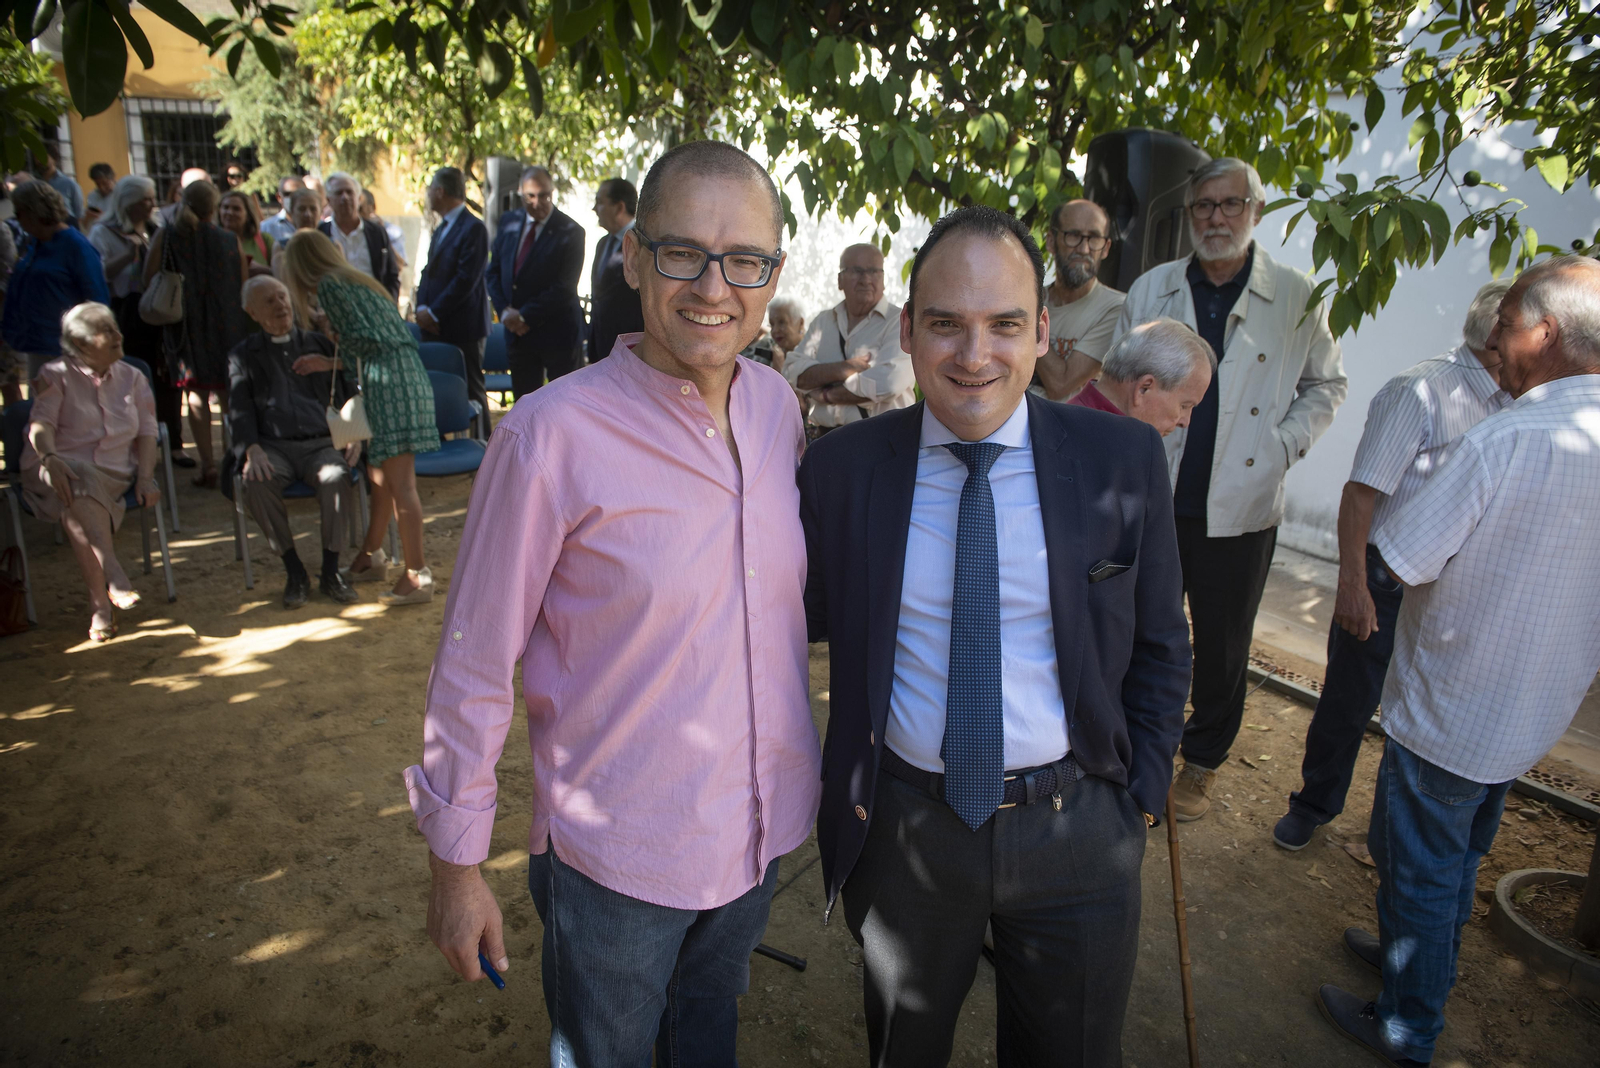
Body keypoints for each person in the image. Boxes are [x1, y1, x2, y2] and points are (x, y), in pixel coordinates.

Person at [405, 140, 820, 1064]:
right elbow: (473, 662)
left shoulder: (774, 410)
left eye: (746, 260)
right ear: (632, 257)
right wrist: (456, 866)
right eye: (683, 252)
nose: (715, 287)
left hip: (757, 829)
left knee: (705, 1033)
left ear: (772, 273)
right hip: (620, 859)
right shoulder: (548, 438)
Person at [799, 205, 1189, 1066]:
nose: (975, 357)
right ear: (907, 328)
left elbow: (1163, 643)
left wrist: (1138, 801)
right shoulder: (841, 472)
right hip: (908, 835)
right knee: (904, 1051)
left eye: (1005, 324)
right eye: (945, 324)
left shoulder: (1120, 462)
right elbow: (790, 622)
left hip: (1079, 830)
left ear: (1043, 331)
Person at [1315, 255, 1600, 1068]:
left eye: (1507, 321)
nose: (1496, 341)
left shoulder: (1508, 435)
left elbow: (1402, 558)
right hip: (1533, 706)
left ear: (1543, 332)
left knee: (1424, 865)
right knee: (1459, 855)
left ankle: (1406, 1025)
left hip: (1456, 706)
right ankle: (1415, 950)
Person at [1115, 156, 1347, 820]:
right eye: (1203, 206)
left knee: (1221, 644)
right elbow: (1123, 375)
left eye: (1230, 204)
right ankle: (1133, 742)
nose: (1216, 218)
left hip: (1241, 506)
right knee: (1139, 629)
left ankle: (1203, 759)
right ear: (1189, 215)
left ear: (1257, 212)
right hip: (1152, 492)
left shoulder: (1297, 295)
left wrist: (1281, 447)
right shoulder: (1153, 287)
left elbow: (1327, 385)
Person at [1275, 281, 1511, 851]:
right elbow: (1360, 495)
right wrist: (1352, 584)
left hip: (1458, 587)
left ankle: (1389, 837)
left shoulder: (1520, 400)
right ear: (1497, 340)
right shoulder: (1420, 391)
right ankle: (1312, 806)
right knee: (1349, 702)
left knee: (1423, 718)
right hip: (1388, 578)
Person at [281, 231, 439, 606]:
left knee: (401, 484)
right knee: (380, 475)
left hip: (388, 384)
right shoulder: (356, 281)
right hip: (402, 376)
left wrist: (331, 334)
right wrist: (329, 359)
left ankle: (417, 575)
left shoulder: (330, 286)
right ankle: (372, 555)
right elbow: (379, 341)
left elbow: (367, 342)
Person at [21, 303, 160, 642]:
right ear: (81, 345)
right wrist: (50, 457)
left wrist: (145, 477)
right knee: (74, 475)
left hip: (112, 473)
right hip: (52, 468)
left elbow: (148, 432)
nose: (119, 336)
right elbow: (42, 425)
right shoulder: (55, 374)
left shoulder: (134, 377)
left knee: (75, 503)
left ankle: (100, 603)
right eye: (107, 331)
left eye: (115, 327)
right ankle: (110, 571)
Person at [228, 276, 361, 609]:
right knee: (256, 482)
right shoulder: (242, 354)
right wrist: (251, 449)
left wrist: (354, 433)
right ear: (252, 312)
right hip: (273, 447)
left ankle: (331, 571)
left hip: (322, 443)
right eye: (269, 302)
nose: (280, 306)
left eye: (283, 297)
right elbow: (238, 408)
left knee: (335, 477)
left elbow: (349, 391)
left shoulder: (319, 343)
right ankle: (294, 570)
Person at [144, 180, 251, 489]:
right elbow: (243, 285)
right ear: (213, 209)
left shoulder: (167, 236)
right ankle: (234, 459)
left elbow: (148, 278)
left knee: (197, 396)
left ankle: (208, 465)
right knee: (231, 396)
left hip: (187, 327)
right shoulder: (229, 240)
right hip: (228, 324)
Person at [89, 175, 190, 467]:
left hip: (160, 314)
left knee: (168, 378)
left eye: (151, 198)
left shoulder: (157, 230)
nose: (149, 204)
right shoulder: (102, 232)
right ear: (126, 201)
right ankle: (132, 446)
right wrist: (127, 256)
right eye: (143, 199)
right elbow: (98, 273)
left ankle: (174, 444)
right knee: (131, 379)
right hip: (126, 315)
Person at [783, 242, 917, 437]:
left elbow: (889, 382)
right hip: (825, 441)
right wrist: (848, 367)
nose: (865, 279)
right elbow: (791, 372)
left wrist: (825, 394)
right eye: (856, 271)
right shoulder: (822, 321)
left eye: (874, 271)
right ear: (839, 280)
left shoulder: (900, 322)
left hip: (883, 442)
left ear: (883, 279)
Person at [486, 165, 585, 399]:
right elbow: (493, 273)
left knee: (562, 404)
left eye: (544, 196)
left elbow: (565, 287)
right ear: (520, 193)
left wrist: (524, 316)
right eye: (530, 196)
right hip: (519, 337)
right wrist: (505, 312)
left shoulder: (571, 231)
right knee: (524, 406)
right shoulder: (508, 222)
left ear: (552, 192)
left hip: (557, 335)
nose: (537, 202)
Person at [2, 181, 109, 385]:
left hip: (67, 349)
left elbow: (97, 299)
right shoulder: (34, 244)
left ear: (33, 212)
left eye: (19, 213)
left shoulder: (76, 246)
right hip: (37, 345)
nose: (17, 219)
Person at [413, 167, 489, 414]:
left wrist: (435, 313)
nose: (428, 196)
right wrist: (422, 308)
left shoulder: (473, 228)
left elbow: (466, 280)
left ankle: (485, 446)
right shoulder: (441, 227)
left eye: (430, 190)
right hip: (434, 327)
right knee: (436, 392)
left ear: (440, 191)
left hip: (462, 328)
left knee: (472, 391)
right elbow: (428, 271)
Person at [1034, 198, 1125, 400]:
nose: (1084, 249)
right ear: (1051, 241)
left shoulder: (1117, 308)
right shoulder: (1032, 299)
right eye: (1073, 235)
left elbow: (1060, 384)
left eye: (1094, 238)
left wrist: (1026, 315)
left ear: (1106, 248)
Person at [1072, 316, 1215, 436]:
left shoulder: (1073, 424)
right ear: (1144, 388)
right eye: (1184, 405)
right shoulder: (1100, 442)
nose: (1185, 422)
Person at [317, 172, 400, 301]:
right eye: (339, 193)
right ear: (329, 200)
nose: (345, 197)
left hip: (376, 305)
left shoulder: (377, 233)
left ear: (359, 198)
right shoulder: (321, 234)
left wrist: (390, 303)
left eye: (349, 192)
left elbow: (392, 274)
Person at [587, 176, 643, 363]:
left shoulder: (643, 245)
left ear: (619, 207)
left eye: (599, 202)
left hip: (631, 353)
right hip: (601, 347)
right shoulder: (603, 243)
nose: (594, 209)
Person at [219, 190, 275, 278]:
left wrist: (263, 270)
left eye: (236, 209)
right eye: (225, 207)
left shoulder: (264, 240)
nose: (229, 212)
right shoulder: (212, 240)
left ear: (248, 215)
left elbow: (281, 272)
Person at [35, 144, 84, 229]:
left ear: (54, 159)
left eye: (43, 157)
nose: (39, 160)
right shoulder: (34, 185)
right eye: (36, 157)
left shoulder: (69, 184)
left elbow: (79, 215)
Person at [260, 176, 304, 248]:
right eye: (288, 194)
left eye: (298, 193)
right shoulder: (266, 228)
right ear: (279, 197)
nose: (293, 197)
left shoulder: (319, 225)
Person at [83, 163, 116, 229]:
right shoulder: (92, 196)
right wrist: (88, 216)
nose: (101, 188)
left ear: (112, 179)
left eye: (105, 183)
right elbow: (86, 225)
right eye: (98, 184)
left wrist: (104, 216)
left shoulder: (121, 194)